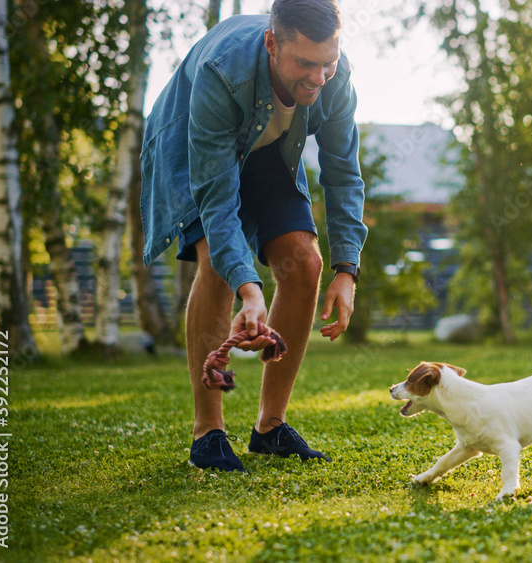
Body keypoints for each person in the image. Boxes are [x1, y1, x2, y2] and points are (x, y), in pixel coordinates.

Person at [139, 0, 367, 472]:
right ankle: (208, 433)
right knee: (218, 268)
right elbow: (218, 200)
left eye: (327, 61)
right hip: (198, 143)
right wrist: (249, 287)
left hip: (268, 149)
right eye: (305, 63)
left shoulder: (334, 74)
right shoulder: (224, 73)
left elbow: (344, 174)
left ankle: (270, 428)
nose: (318, 77)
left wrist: (348, 270)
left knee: (305, 263)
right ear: (271, 42)